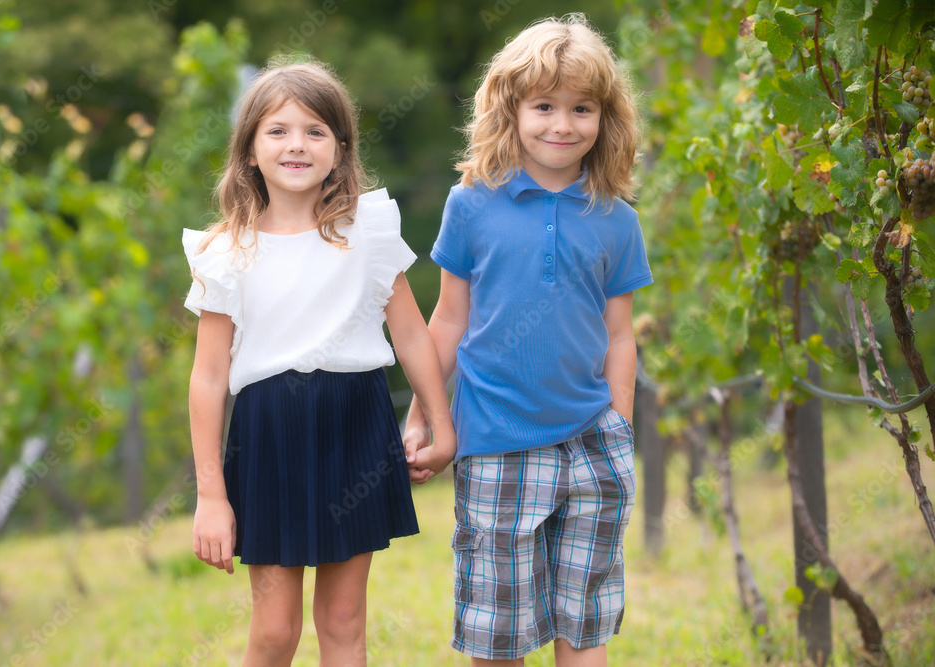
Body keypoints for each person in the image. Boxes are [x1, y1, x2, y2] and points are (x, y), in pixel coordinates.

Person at [183, 57, 456, 667]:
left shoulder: (369, 232)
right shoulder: (226, 250)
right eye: (278, 130)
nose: (297, 145)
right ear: (249, 150)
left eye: (315, 131)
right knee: (275, 631)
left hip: (356, 428)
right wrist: (211, 495)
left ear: (340, 149)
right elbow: (208, 378)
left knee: (342, 620)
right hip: (267, 439)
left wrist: (442, 424)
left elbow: (412, 337)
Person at [404, 14, 651, 666]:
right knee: (497, 635)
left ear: (605, 118)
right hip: (496, 443)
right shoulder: (471, 204)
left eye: (581, 108)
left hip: (593, 446)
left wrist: (619, 427)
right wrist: (423, 414)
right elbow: (447, 321)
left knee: (586, 626)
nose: (562, 124)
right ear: (509, 110)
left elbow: (618, 335)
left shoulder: (617, 219)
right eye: (544, 106)